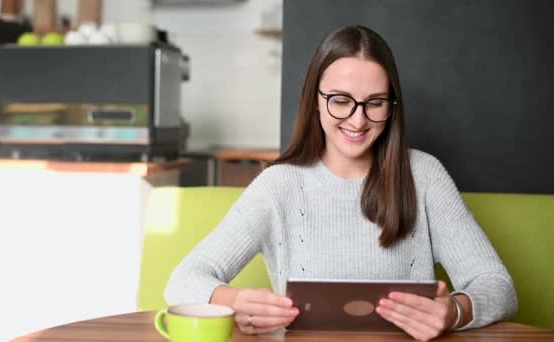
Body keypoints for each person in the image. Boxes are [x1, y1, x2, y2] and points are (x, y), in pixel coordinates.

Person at [164, 25, 517, 341]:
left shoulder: (424, 176)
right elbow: (182, 281)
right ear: (315, 101)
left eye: (375, 103)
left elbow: (497, 285)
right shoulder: (279, 186)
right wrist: (236, 302)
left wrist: (454, 311)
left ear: (392, 107)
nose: (358, 120)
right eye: (340, 101)